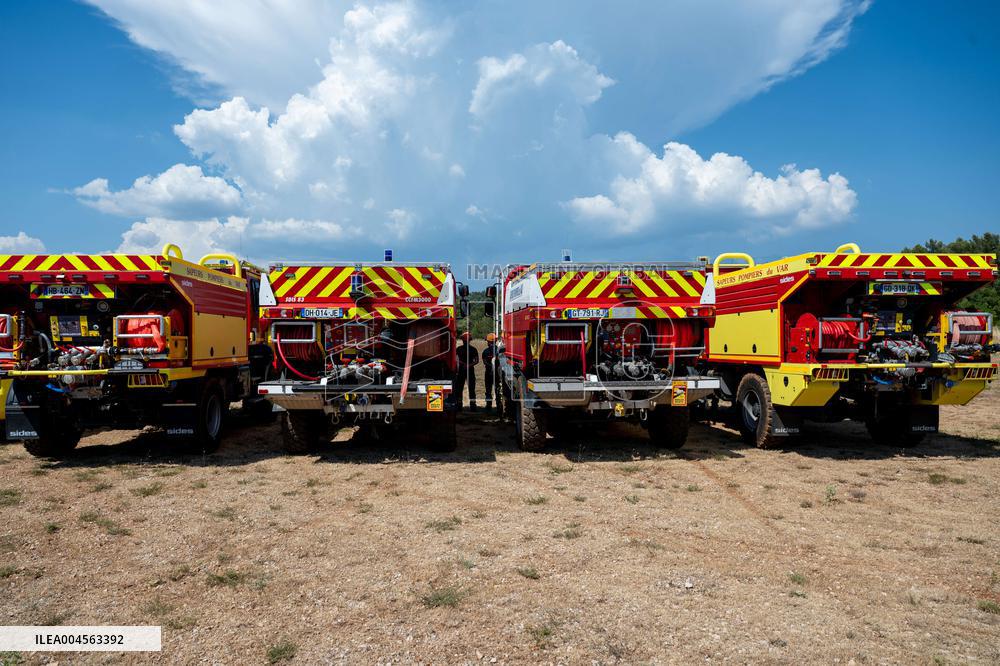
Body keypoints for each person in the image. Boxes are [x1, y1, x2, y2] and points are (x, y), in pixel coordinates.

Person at [454, 331, 479, 411]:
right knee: (472, 389)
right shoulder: (473, 349)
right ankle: (473, 406)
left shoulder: (458, 349)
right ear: (470, 340)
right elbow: (476, 360)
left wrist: (463, 364)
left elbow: (455, 359)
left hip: (461, 371)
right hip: (470, 371)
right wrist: (469, 365)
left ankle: (459, 405)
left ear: (462, 340)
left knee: (459, 389)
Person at [482, 332, 497, 412]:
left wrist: (490, 366)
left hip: (488, 373)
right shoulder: (499, 350)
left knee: (488, 390)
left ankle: (488, 407)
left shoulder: (485, 351)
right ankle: (499, 406)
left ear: (489, 342)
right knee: (498, 390)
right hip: (497, 374)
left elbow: (484, 362)